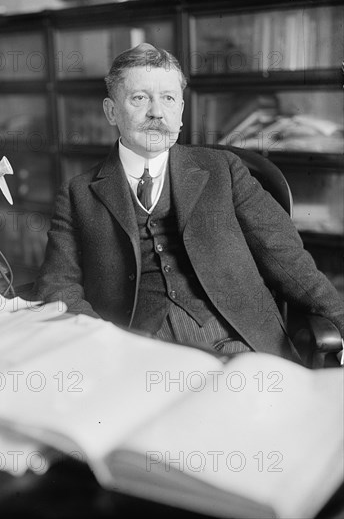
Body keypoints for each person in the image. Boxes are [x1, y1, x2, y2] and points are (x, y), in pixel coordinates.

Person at [33, 43, 343, 361]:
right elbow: (58, 288)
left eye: (168, 98)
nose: (157, 112)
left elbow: (288, 261)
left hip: (238, 342)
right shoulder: (77, 194)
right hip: (138, 353)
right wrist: (106, 347)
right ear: (111, 111)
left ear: (180, 111)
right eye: (139, 98)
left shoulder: (223, 169)